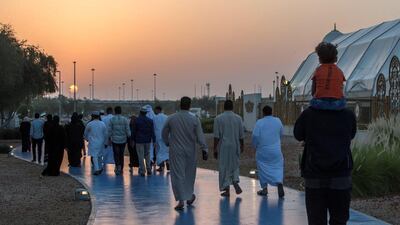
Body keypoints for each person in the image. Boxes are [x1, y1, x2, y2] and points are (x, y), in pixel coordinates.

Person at [294, 98, 357, 225]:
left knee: (316, 220)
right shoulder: (348, 115)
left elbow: (297, 134)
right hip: (341, 176)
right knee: (339, 220)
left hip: (314, 176)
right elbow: (352, 134)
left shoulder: (308, 114)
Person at [162, 96, 208, 210]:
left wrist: (167, 142)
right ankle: (189, 196)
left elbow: (164, 132)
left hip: (176, 151)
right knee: (189, 175)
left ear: (180, 104)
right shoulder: (194, 119)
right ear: (189, 105)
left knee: (178, 175)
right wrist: (204, 149)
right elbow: (200, 136)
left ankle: (181, 200)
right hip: (190, 151)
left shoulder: (172, 118)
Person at [252, 105, 285, 198]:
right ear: (272, 112)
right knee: (278, 167)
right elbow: (281, 133)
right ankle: (279, 183)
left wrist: (255, 146)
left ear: (263, 113)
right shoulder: (278, 121)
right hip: (276, 151)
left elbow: (255, 136)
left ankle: (265, 189)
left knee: (262, 169)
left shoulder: (259, 122)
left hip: (263, 151)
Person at [213, 100, 244, 197]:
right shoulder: (238, 118)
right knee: (234, 164)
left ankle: (227, 189)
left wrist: (215, 148)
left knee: (224, 166)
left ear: (223, 107)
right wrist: (242, 145)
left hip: (224, 146)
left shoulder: (218, 118)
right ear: (232, 107)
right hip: (235, 145)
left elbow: (216, 136)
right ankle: (235, 181)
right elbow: (241, 135)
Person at [310, 42, 346, 110]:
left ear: (320, 59)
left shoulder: (318, 71)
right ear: (335, 58)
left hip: (320, 104)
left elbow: (313, 92)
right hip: (337, 104)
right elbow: (341, 90)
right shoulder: (339, 72)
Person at [108, 106, 131, 175]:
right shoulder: (125, 119)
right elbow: (128, 131)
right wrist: (129, 136)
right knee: (121, 154)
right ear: (121, 111)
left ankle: (117, 166)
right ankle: (121, 167)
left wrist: (109, 138)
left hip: (114, 140)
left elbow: (109, 130)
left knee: (116, 154)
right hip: (123, 140)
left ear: (115, 111)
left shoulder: (112, 120)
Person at [135, 106, 156, 176]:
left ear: (140, 113)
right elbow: (152, 131)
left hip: (139, 140)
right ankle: (149, 169)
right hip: (148, 140)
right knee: (147, 155)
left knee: (140, 156)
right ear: (146, 113)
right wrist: (154, 140)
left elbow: (134, 131)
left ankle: (142, 170)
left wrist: (132, 140)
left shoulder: (137, 120)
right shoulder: (150, 121)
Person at [153, 106, 169, 172]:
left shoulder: (155, 118)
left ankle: (161, 166)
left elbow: (153, 128)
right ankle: (168, 164)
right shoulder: (167, 117)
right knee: (166, 151)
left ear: (157, 110)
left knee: (159, 151)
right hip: (166, 136)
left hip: (158, 137)